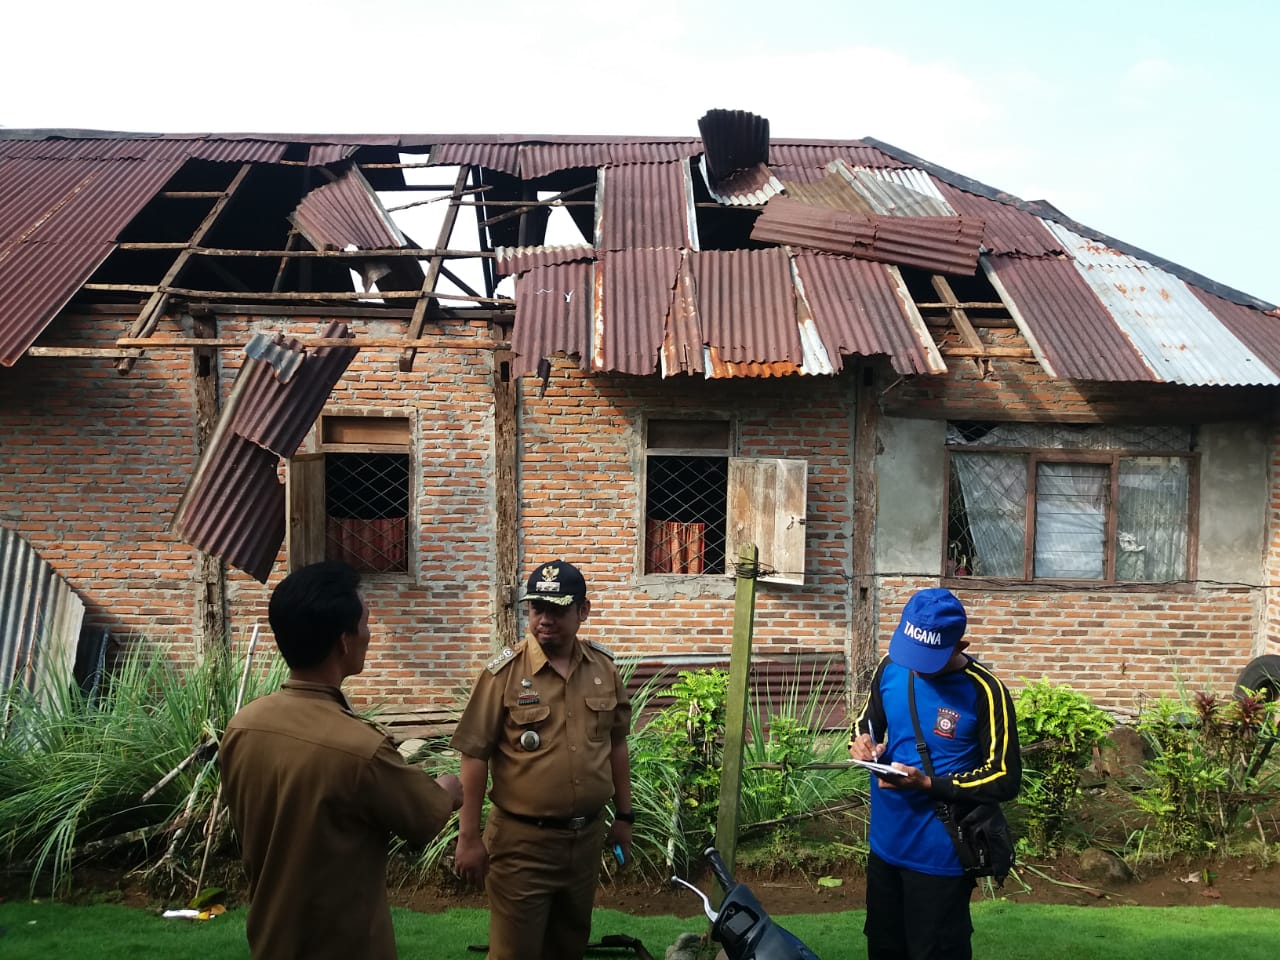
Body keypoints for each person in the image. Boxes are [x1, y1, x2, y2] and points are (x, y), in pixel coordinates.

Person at [219, 561, 464, 960]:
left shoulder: (244, 727)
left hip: (269, 939)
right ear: (344, 642)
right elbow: (424, 818)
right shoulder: (360, 749)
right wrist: (450, 789)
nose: (370, 633)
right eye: (366, 623)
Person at [451, 559, 634, 960]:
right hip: (522, 845)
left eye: (557, 609)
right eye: (537, 609)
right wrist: (468, 837)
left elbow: (616, 744)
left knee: (569, 948)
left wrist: (624, 816)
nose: (544, 620)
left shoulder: (603, 668)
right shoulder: (503, 674)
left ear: (582, 611)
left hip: (584, 842)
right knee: (514, 954)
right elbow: (474, 755)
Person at [849, 588, 1021, 960]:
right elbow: (867, 720)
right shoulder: (890, 667)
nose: (916, 665)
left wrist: (929, 784)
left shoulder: (986, 692)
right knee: (883, 948)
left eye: (929, 658)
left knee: (935, 952)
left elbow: (1005, 777)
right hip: (885, 845)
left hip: (940, 853)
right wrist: (863, 741)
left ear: (961, 645)